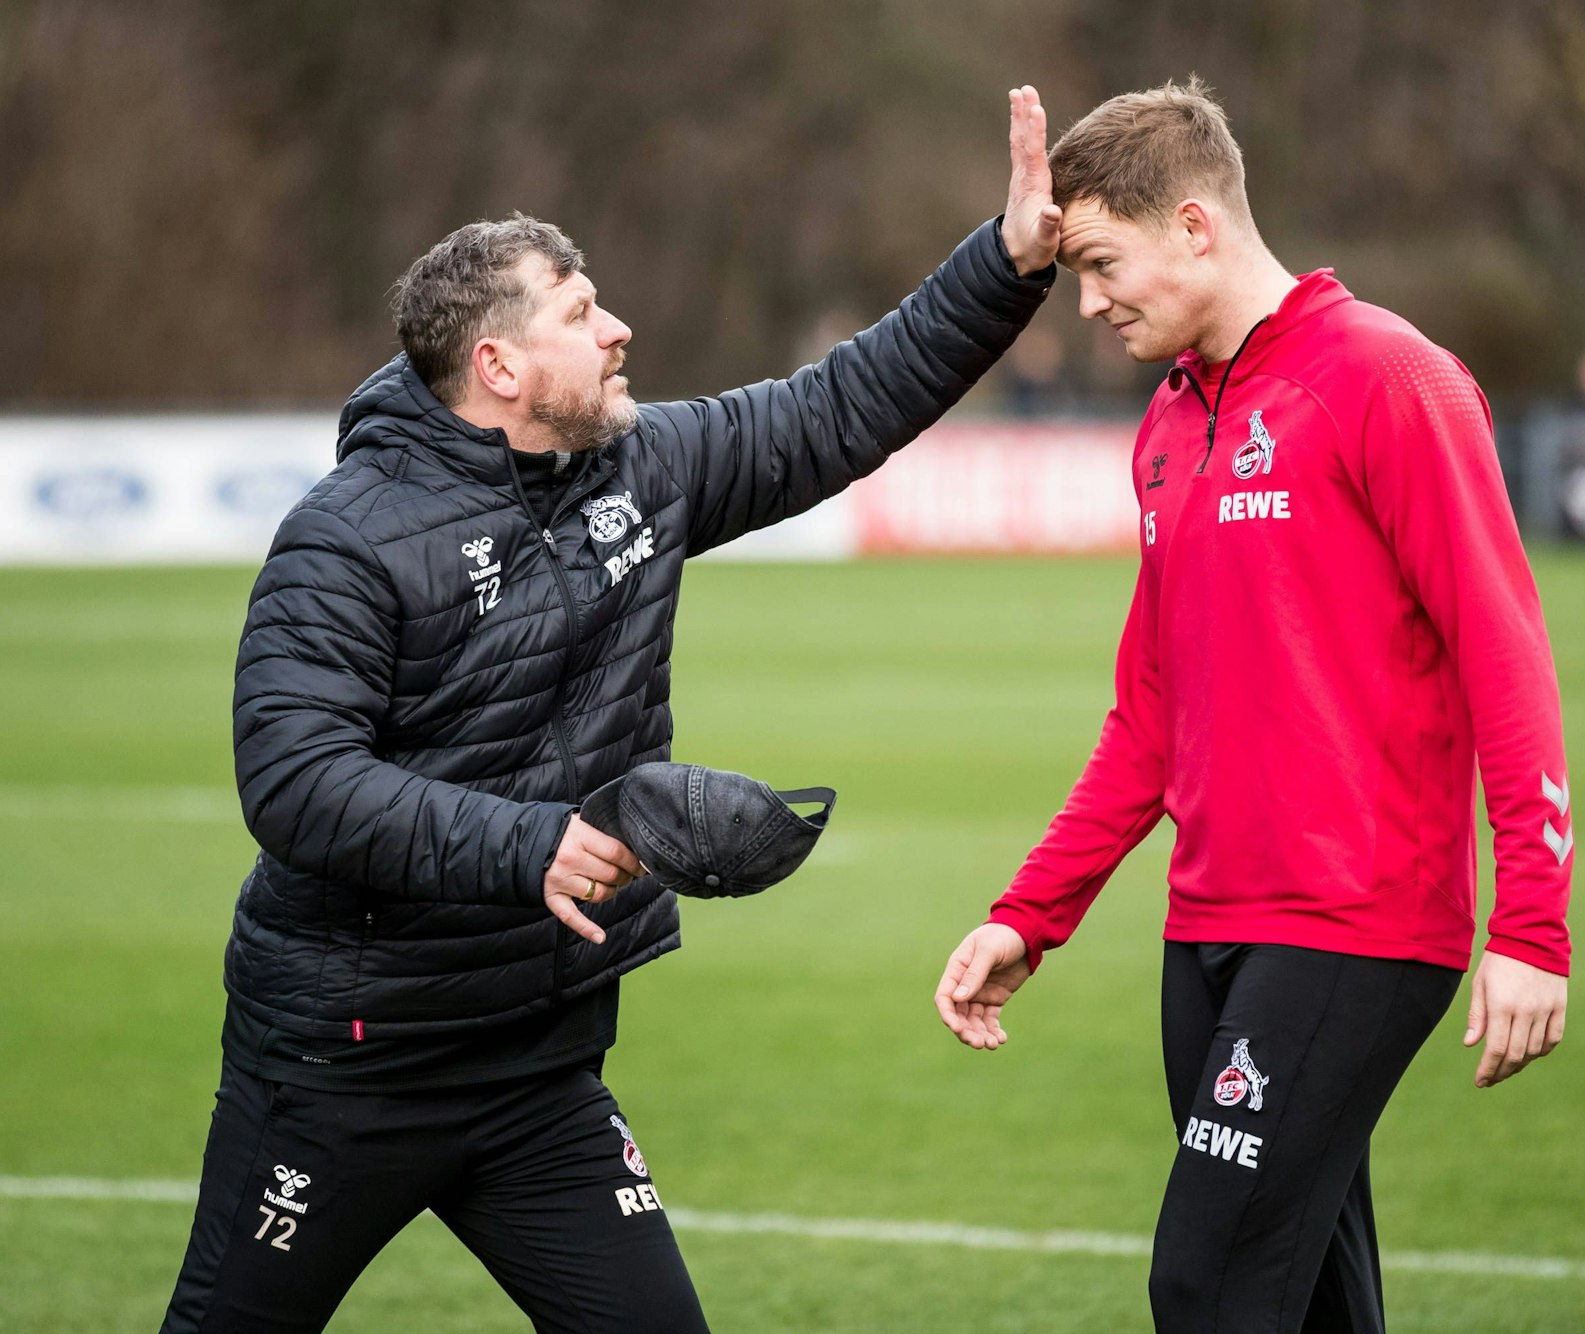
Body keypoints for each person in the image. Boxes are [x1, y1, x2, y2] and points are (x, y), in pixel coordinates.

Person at [162, 88, 1062, 1333]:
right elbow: (297, 781)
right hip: (343, 1069)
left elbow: (845, 402)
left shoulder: (646, 466)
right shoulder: (345, 540)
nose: (621, 329)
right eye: (585, 313)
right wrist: (530, 842)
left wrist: (1007, 264)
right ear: (500, 365)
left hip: (539, 1068)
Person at [935, 78, 1573, 1334]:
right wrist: (1031, 913)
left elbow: (1506, 652)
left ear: (1193, 225)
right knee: (1310, 1297)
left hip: (1355, 924)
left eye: (1103, 261)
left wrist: (1534, 924)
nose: (1091, 300)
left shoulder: (1390, 377)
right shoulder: (1170, 423)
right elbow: (1147, 717)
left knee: (1209, 1280)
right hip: (1208, 933)